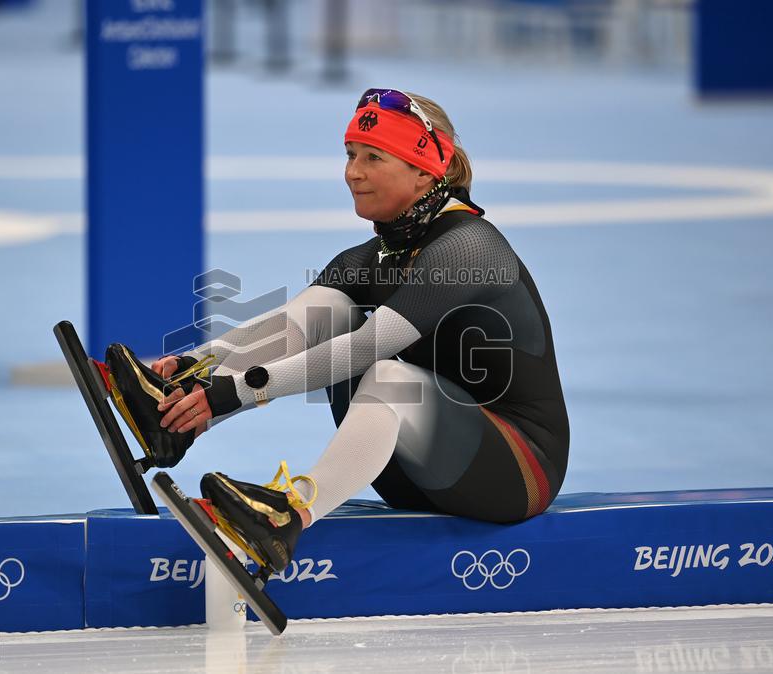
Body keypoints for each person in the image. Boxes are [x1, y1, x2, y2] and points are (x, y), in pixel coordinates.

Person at [104, 88, 570, 574]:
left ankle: (289, 518)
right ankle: (174, 421)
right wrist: (194, 366)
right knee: (326, 311)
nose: (353, 172)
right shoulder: (382, 252)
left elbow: (369, 349)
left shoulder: (468, 250)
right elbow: (290, 323)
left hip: (517, 472)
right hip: (415, 467)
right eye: (350, 155)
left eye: (373, 157)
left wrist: (232, 392)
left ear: (423, 169)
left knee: (388, 377)